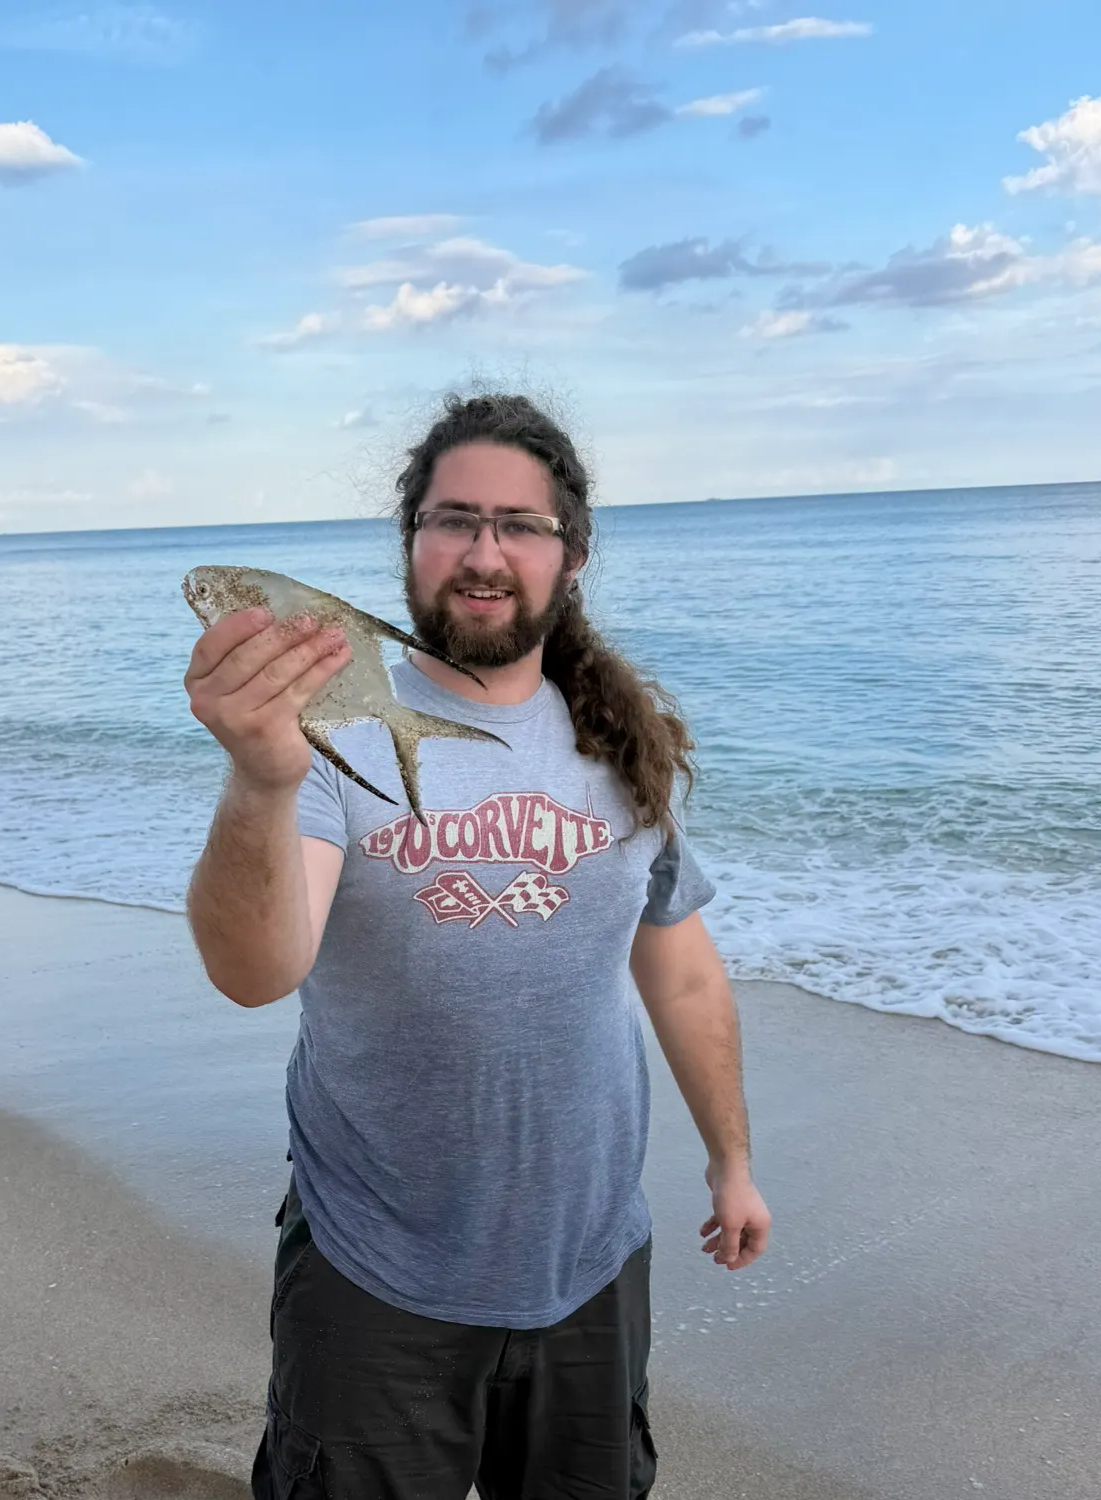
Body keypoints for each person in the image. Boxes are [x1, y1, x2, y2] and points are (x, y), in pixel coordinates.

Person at [183, 393, 771, 1499]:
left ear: (572, 553)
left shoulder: (617, 739)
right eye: (454, 519)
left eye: (520, 525)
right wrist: (262, 779)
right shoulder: (329, 734)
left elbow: (681, 970)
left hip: (591, 1267)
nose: (484, 552)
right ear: (411, 543)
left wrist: (732, 1163)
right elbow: (254, 972)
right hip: (376, 1273)